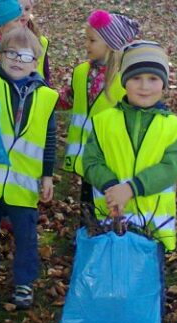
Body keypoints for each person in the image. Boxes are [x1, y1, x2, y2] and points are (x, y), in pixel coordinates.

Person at [0, 27, 58, 310]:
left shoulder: (46, 97)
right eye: (11, 53)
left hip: (23, 180)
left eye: (26, 55)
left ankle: (24, 282)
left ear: (35, 62)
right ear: (0, 56)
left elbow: (49, 138)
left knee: (26, 234)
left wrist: (48, 175)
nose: (18, 60)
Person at [82, 40, 177, 273]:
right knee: (109, 279)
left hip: (153, 228)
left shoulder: (173, 127)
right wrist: (111, 187)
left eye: (153, 79)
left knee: (147, 286)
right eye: (136, 78)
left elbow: (171, 167)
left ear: (164, 84)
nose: (144, 86)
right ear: (124, 81)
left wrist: (131, 188)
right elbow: (90, 161)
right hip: (109, 221)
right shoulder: (104, 122)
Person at [60, 11, 141, 206]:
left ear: (110, 44)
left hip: (111, 159)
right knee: (87, 205)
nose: (86, 44)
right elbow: (69, 98)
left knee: (108, 206)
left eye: (92, 40)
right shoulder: (82, 72)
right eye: (86, 39)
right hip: (86, 155)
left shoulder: (125, 79)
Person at [6, 0, 50, 82]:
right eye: (19, 8)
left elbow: (45, 73)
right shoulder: (3, 40)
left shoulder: (41, 41)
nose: (23, 13)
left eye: (27, 9)